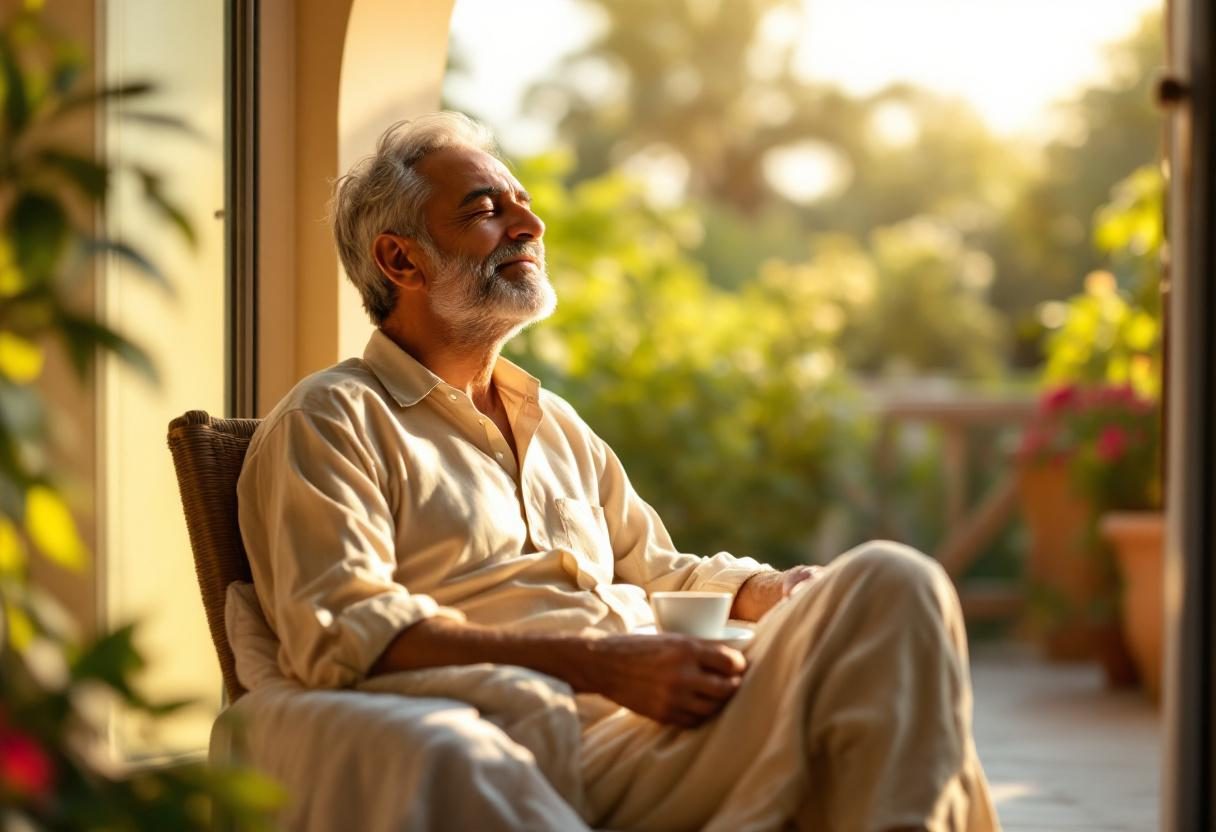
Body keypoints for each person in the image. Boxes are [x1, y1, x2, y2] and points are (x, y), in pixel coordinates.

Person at [236, 111, 1000, 831]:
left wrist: (772, 590)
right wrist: (601, 665)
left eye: (524, 205)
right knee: (890, 621)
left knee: (891, 585)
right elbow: (341, 631)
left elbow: (658, 570)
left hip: (667, 718)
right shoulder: (333, 420)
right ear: (399, 258)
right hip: (546, 745)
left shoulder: (555, 422)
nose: (529, 226)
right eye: (483, 210)